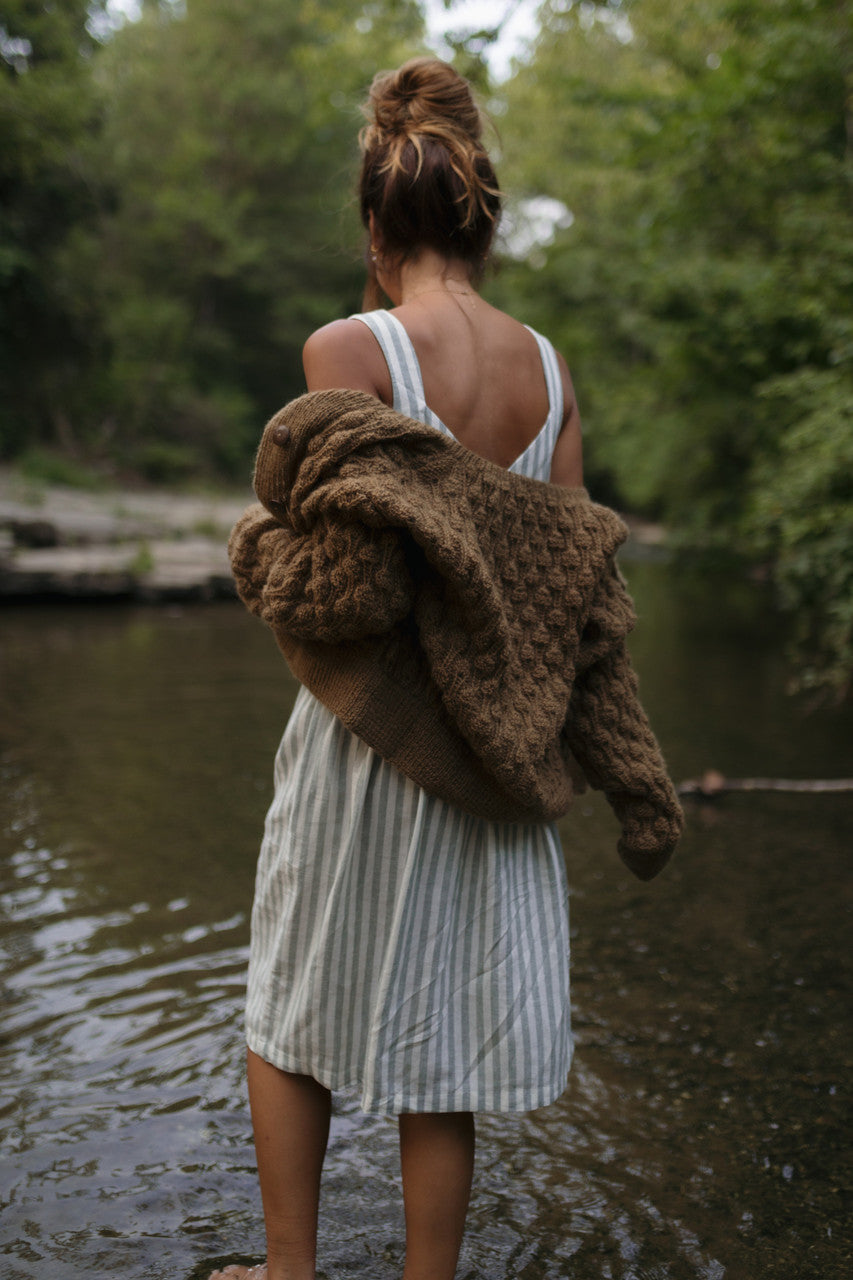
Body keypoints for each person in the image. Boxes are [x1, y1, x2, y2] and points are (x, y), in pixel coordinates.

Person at [212, 56, 676, 1280]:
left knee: (287, 1005)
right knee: (445, 1043)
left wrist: (261, 549)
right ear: (486, 225)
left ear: (376, 227)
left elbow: (352, 587)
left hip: (368, 740)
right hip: (496, 754)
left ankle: (290, 1272)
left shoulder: (347, 347)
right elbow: (574, 593)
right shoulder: (553, 373)